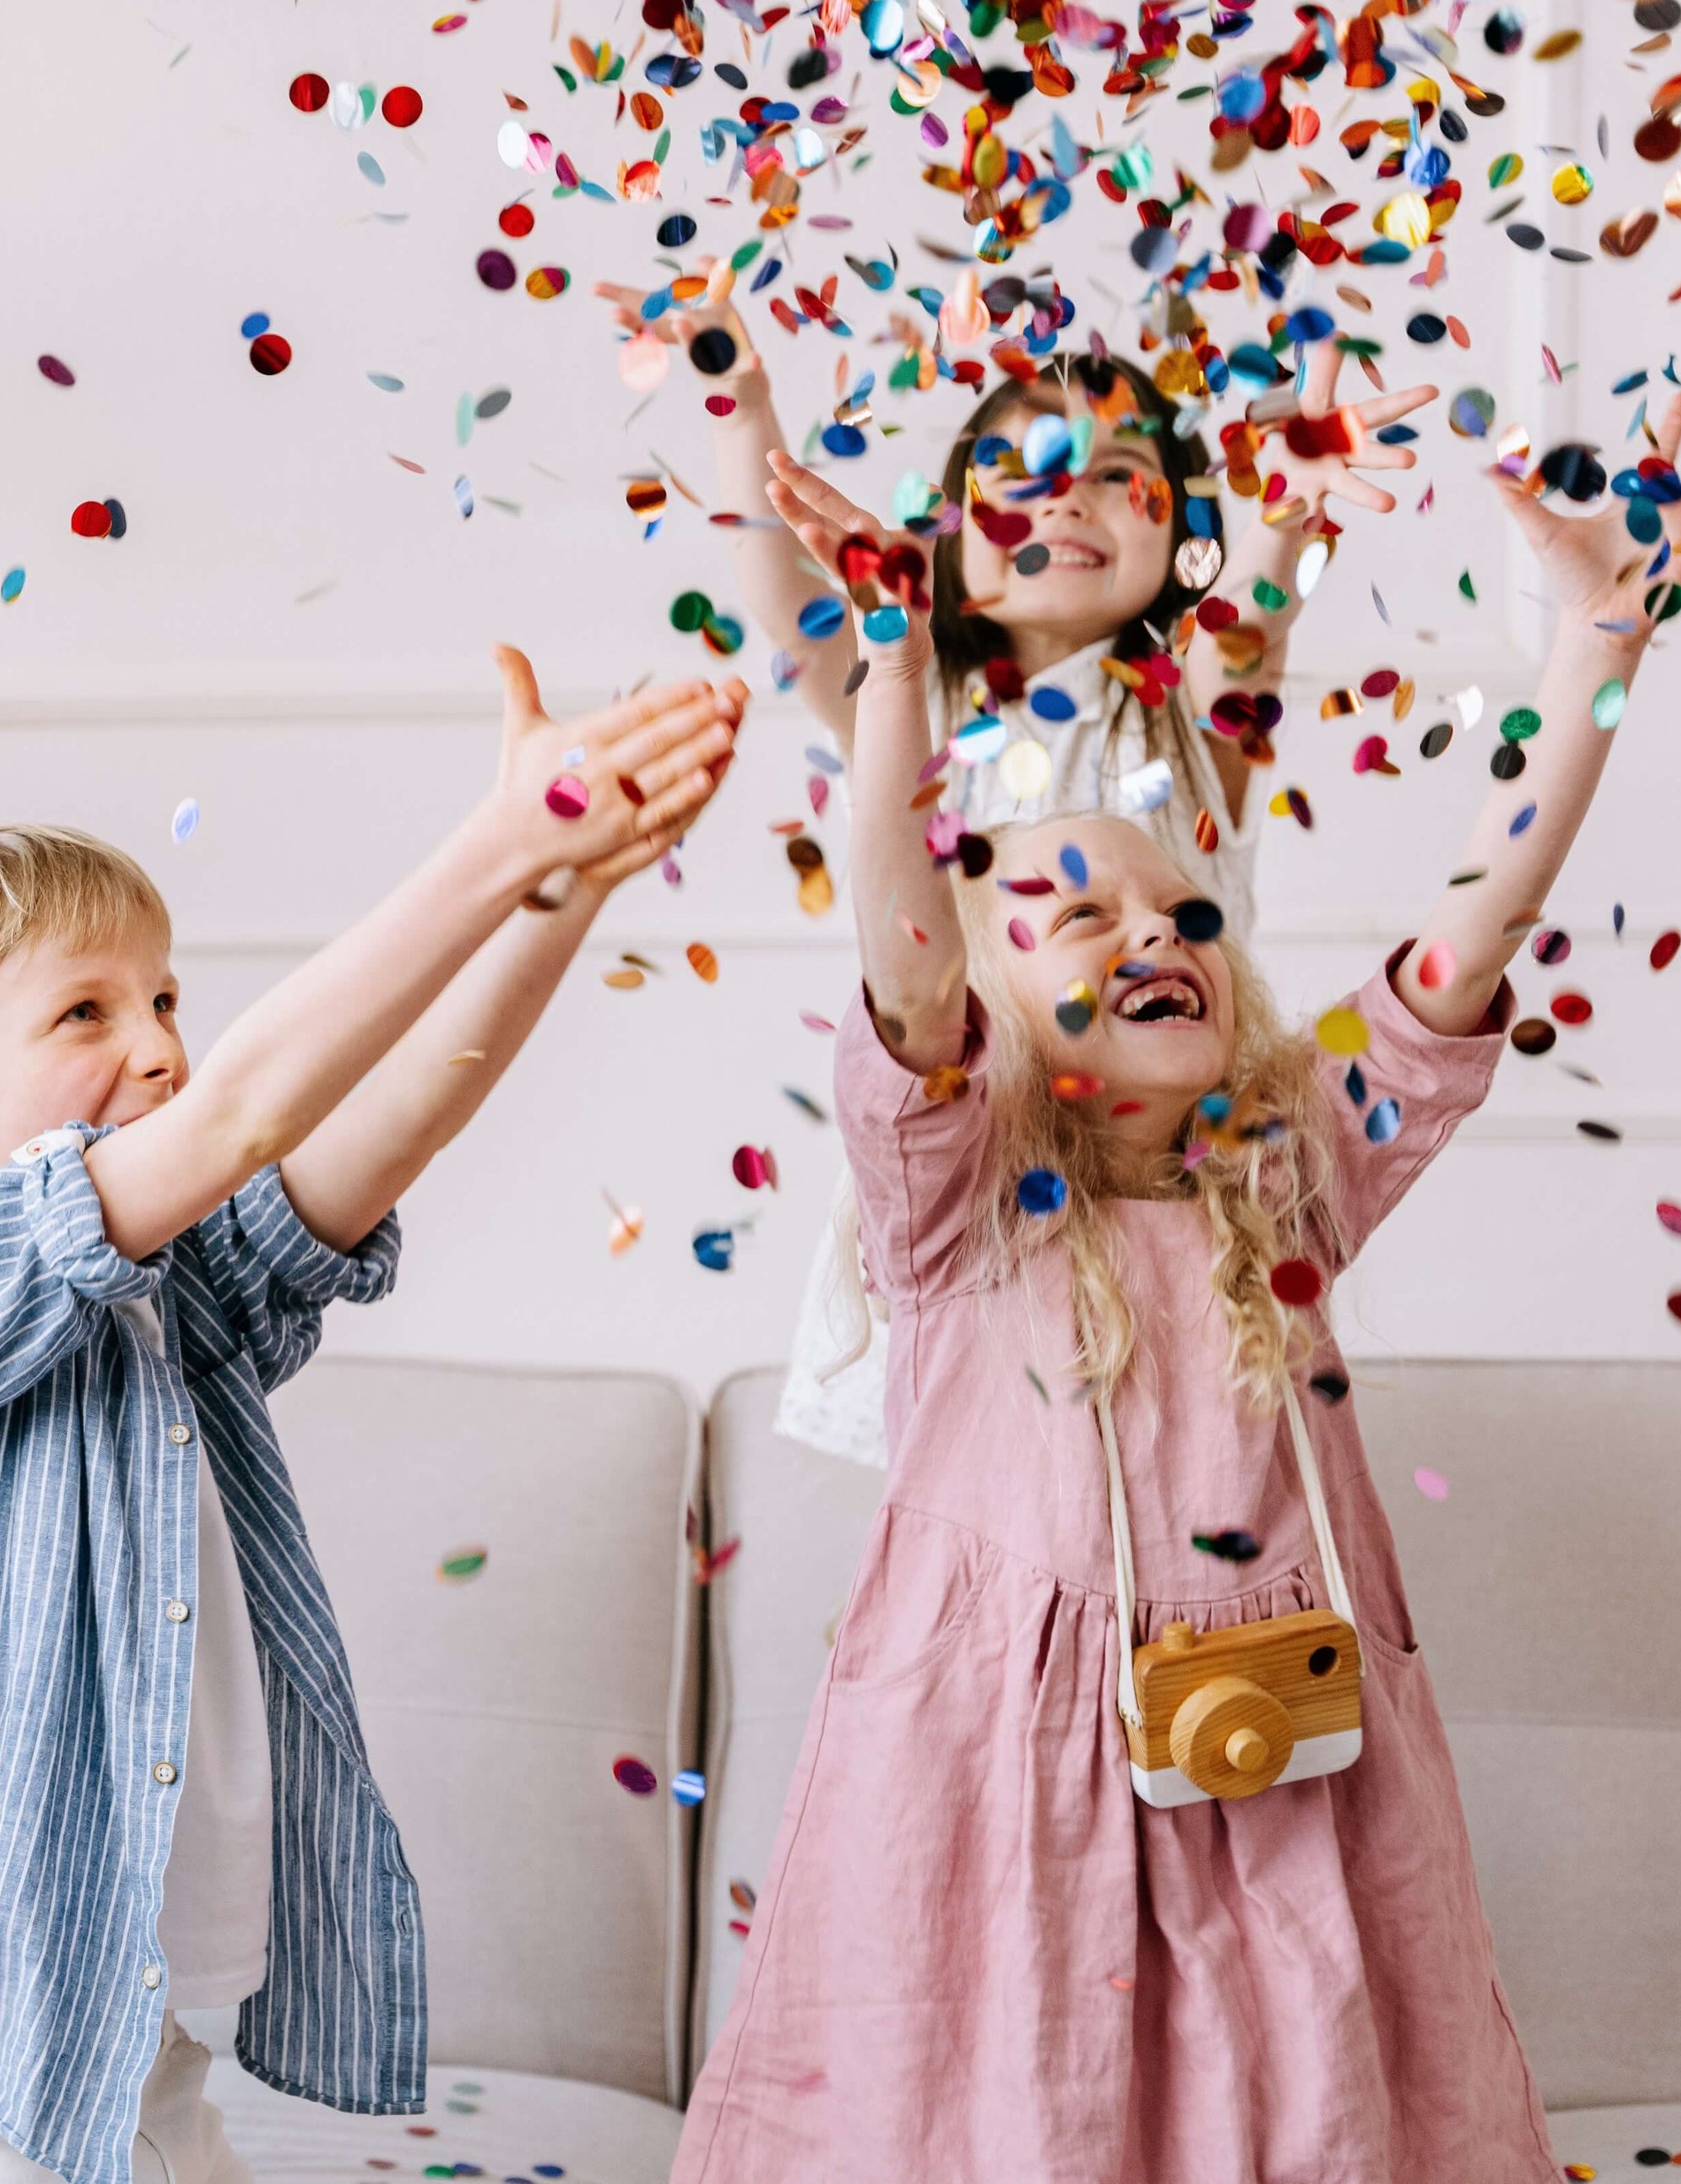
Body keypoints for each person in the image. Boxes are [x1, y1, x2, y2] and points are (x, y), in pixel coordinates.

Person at [673, 393, 1681, 2180]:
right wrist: (891, 668)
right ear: (986, 1010)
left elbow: (1474, 930)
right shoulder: (957, 1212)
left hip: (1293, 1789)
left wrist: (1595, 648)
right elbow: (899, 931)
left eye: (1184, 914)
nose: (1152, 932)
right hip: (998, 1800)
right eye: (1078, 919)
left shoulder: (1292, 1180)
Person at [0, 656, 743, 2184]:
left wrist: (555, 900)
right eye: (85, 1011)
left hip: (135, 2055)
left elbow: (378, 1125)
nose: (157, 1044)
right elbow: (238, 1117)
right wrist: (503, 840)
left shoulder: (157, 1302)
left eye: (162, 997)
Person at [601, 258, 1427, 1465]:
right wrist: (739, 382)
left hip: (1166, 1202)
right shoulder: (916, 707)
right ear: (949, 546)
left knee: (1175, 1504)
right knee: (976, 1531)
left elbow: (1252, 624)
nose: (1067, 502)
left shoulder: (1188, 713)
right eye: (1022, 479)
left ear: (1182, 534)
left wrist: (1291, 515)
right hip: (971, 1198)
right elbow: (779, 592)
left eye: (1115, 478)